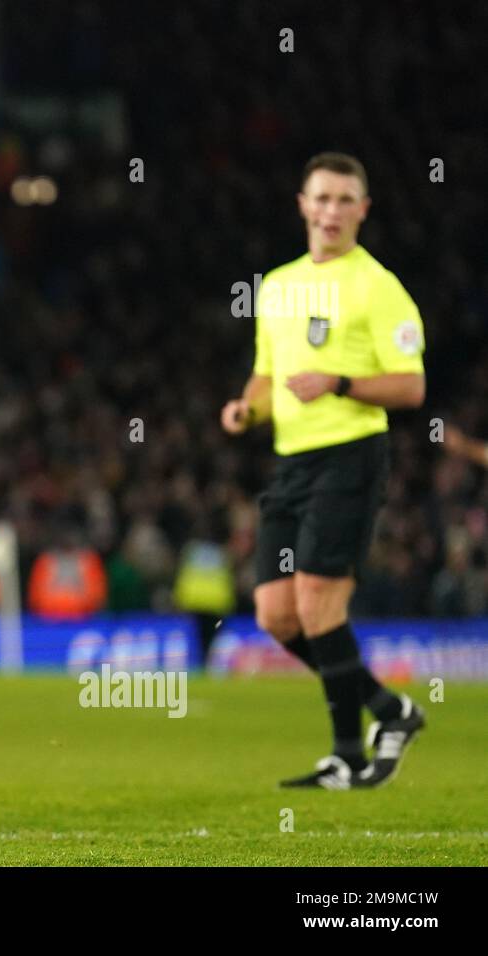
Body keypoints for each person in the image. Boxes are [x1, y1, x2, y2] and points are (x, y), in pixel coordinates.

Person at [221, 152, 427, 789]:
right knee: (277, 617)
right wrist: (245, 408)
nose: (332, 210)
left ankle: (348, 753)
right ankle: (389, 712)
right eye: (322, 198)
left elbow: (412, 387)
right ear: (303, 205)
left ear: (362, 210)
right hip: (291, 465)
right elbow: (266, 372)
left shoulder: (379, 286)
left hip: (351, 456)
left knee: (316, 606)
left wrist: (339, 381)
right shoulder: (278, 284)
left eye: (345, 200)